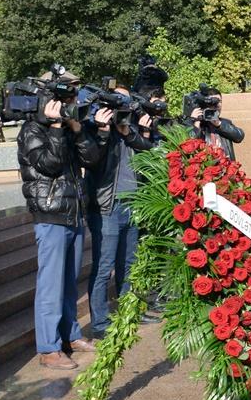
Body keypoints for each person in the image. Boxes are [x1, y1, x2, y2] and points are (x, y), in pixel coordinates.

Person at [17, 68, 104, 370]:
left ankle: (70, 335)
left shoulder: (66, 127)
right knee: (51, 284)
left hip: (73, 212)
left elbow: (91, 160)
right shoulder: (31, 131)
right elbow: (50, 165)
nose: (70, 100)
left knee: (68, 282)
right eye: (64, 94)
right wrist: (55, 128)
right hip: (50, 214)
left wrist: (76, 130)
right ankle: (48, 349)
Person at [84, 86, 156, 339]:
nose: (123, 105)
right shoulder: (95, 129)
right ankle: (100, 323)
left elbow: (148, 151)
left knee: (129, 263)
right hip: (107, 207)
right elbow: (91, 160)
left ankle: (128, 312)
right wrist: (103, 131)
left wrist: (129, 131)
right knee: (104, 267)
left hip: (132, 204)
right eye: (119, 100)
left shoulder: (128, 128)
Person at [187, 88, 244, 161]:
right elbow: (189, 145)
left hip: (226, 168)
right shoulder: (193, 123)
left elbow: (239, 136)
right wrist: (196, 122)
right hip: (205, 169)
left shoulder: (224, 123)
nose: (217, 104)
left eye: (219, 101)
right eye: (212, 101)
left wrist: (219, 124)